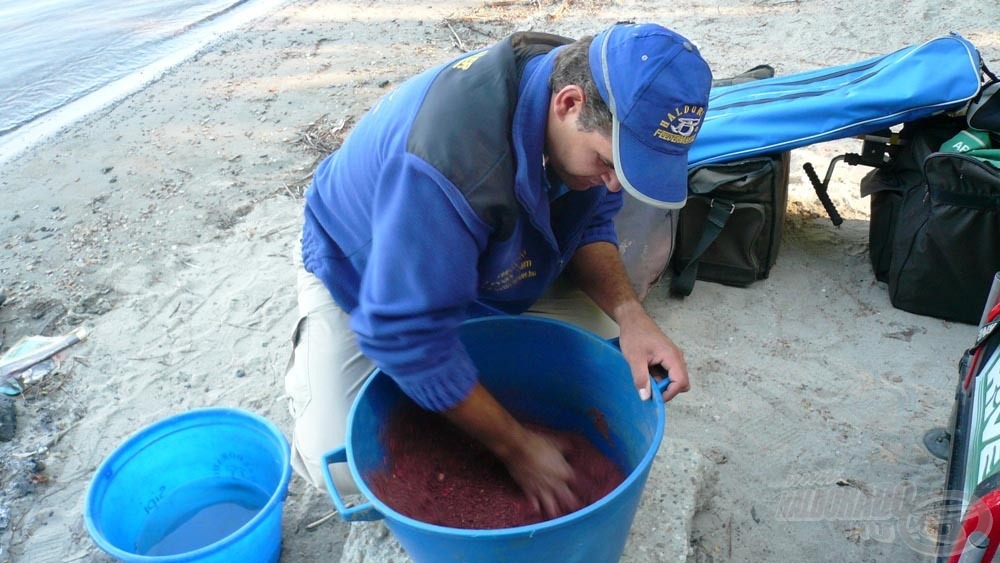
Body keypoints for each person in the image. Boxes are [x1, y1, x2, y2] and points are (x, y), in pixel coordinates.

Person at [284, 22, 712, 518]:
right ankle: (314, 361)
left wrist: (631, 314)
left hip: (486, 249)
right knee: (341, 468)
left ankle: (467, 318)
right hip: (363, 268)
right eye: (607, 161)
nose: (615, 184)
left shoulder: (583, 88)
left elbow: (590, 220)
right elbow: (403, 334)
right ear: (568, 104)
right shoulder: (454, 161)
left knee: (593, 360)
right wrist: (518, 448)